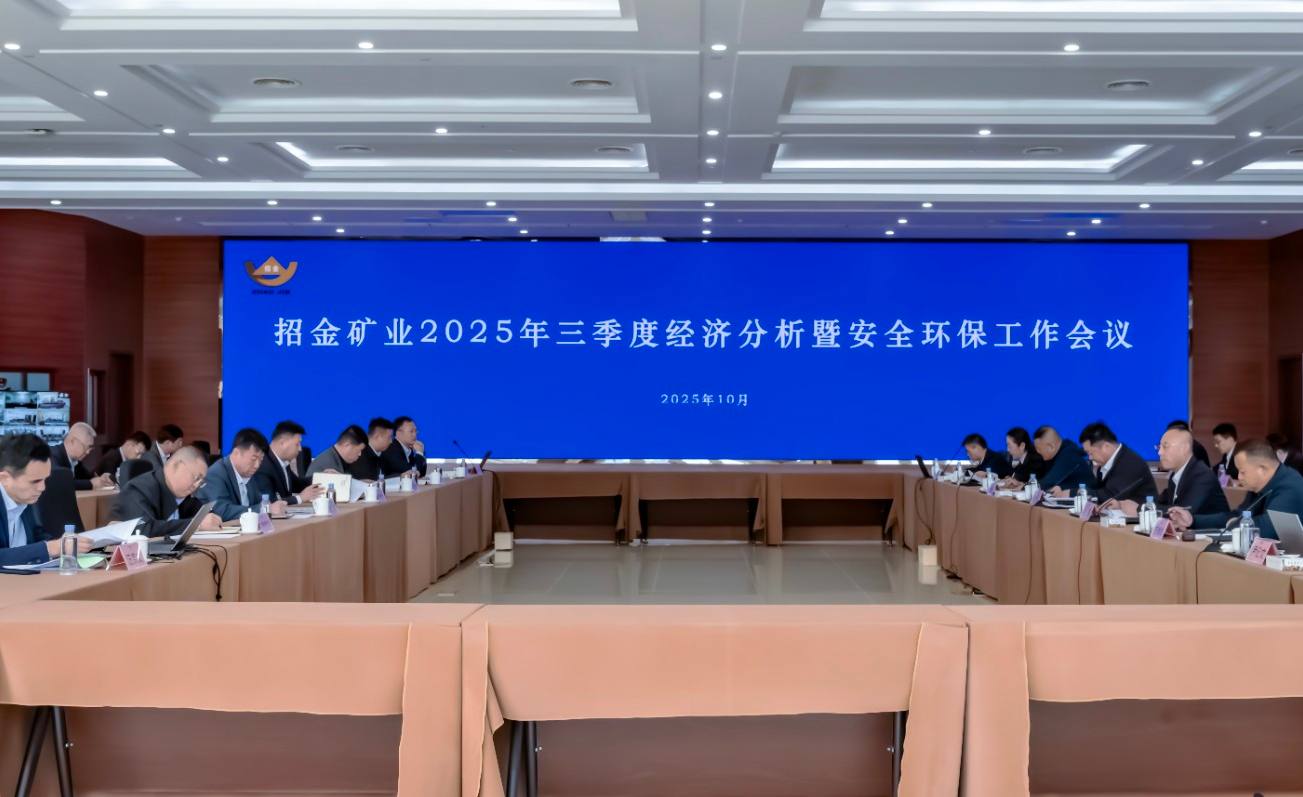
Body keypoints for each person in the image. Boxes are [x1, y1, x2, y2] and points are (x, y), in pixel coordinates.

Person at [1170, 439, 1303, 540]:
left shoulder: (1289, 487)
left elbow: (1267, 529)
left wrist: (1233, 523)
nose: (1239, 477)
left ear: (1262, 469)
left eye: (1243, 472)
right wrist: (1193, 520)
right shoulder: (1259, 485)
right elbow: (1238, 516)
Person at [0, 434, 94, 565]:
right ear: (4, 479)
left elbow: (37, 535)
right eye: (35, 481)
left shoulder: (25, 497)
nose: (42, 488)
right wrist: (51, 548)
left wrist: (64, 544)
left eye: (45, 479)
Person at [1106, 428, 1228, 518]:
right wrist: (1123, 505)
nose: (1160, 453)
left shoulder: (1201, 475)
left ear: (1184, 449)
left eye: (1165, 447)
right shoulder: (1176, 474)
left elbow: (1183, 512)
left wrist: (1139, 509)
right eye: (1159, 447)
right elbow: (1160, 503)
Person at [111, 446, 221, 537]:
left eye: (201, 481)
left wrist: (211, 519)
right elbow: (143, 529)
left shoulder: (185, 495)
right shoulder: (137, 489)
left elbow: (202, 515)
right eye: (196, 477)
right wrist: (196, 524)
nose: (196, 485)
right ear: (175, 466)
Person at [197, 428, 287, 521]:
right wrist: (264, 509)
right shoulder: (216, 474)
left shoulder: (248, 473)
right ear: (236, 453)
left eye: (261, 460)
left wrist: (270, 506)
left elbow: (258, 502)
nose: (257, 465)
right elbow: (223, 511)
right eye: (253, 459)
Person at [1067, 422, 1157, 503]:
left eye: (1090, 453)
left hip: (1145, 514)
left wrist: (1072, 493)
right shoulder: (1109, 462)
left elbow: (1110, 496)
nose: (1090, 458)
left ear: (1106, 447)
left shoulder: (1130, 463)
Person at [257, 420, 324, 505]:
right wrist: (300, 498)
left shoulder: (283, 462)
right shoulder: (263, 465)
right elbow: (269, 502)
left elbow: (297, 484)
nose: (300, 449)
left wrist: (322, 476)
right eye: (297, 444)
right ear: (282, 443)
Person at [1015, 426, 1094, 492]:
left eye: (1039, 449)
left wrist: (1024, 488)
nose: (1037, 452)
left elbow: (1049, 481)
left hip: (1087, 500)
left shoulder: (1069, 455)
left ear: (1051, 447)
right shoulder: (1055, 455)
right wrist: (1024, 484)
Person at [48, 422, 114, 490]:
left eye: (90, 448)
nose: (88, 452)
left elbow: (88, 478)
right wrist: (91, 484)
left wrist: (101, 480)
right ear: (73, 441)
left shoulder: (76, 461)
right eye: (86, 447)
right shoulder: (51, 455)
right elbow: (60, 483)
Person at [346, 417, 396, 481]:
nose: (391, 441)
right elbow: (367, 481)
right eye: (389, 437)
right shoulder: (359, 456)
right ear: (377, 436)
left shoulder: (384, 452)